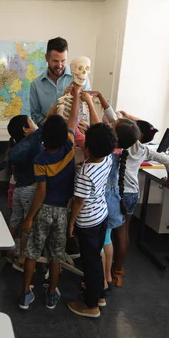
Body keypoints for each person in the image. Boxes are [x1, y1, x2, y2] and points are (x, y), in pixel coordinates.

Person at [18, 84, 80, 310]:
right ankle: (52, 293)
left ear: (44, 138)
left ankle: (25, 293)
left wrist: (29, 217)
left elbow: (41, 192)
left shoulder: (40, 160)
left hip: (43, 210)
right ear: (64, 135)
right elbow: (73, 119)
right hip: (63, 212)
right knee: (56, 256)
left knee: (32, 252)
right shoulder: (70, 147)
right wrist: (76, 94)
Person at [81, 93, 140, 294]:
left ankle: (101, 281)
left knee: (100, 244)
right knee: (108, 240)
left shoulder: (106, 153)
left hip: (104, 204)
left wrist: (90, 103)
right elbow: (104, 127)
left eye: (112, 127)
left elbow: (99, 129)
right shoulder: (122, 150)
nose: (109, 125)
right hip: (115, 201)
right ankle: (108, 275)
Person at [109, 112, 169, 288]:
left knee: (112, 233)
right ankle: (118, 270)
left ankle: (110, 269)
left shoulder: (113, 149)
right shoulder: (143, 149)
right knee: (124, 232)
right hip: (132, 195)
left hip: (117, 194)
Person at [68, 123, 116, 318]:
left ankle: (91, 305)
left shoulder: (84, 172)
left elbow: (79, 201)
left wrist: (72, 222)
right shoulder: (108, 159)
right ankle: (100, 295)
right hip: (101, 216)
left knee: (91, 262)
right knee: (95, 255)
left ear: (86, 149)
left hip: (87, 221)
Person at [6, 103, 58, 271]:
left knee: (15, 220)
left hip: (19, 189)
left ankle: (8, 251)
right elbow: (47, 120)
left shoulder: (16, 145)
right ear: (25, 128)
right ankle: (23, 257)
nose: (35, 123)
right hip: (31, 190)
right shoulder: (34, 138)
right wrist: (57, 104)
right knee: (29, 224)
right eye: (31, 121)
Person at [29, 37, 91, 126]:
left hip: (76, 135)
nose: (60, 65)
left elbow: (88, 108)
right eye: (55, 61)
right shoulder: (36, 85)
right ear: (47, 58)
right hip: (49, 135)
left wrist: (82, 123)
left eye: (63, 60)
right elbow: (35, 115)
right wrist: (47, 126)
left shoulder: (81, 79)